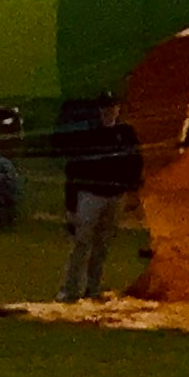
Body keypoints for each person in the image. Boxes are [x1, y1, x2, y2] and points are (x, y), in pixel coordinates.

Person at [55, 98, 141, 302]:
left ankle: (93, 288)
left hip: (114, 196)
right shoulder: (89, 135)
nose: (109, 113)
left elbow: (135, 162)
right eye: (105, 109)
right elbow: (74, 169)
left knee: (102, 245)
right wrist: (71, 204)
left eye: (112, 108)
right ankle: (70, 289)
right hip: (90, 195)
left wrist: (131, 189)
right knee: (81, 243)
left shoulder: (125, 133)